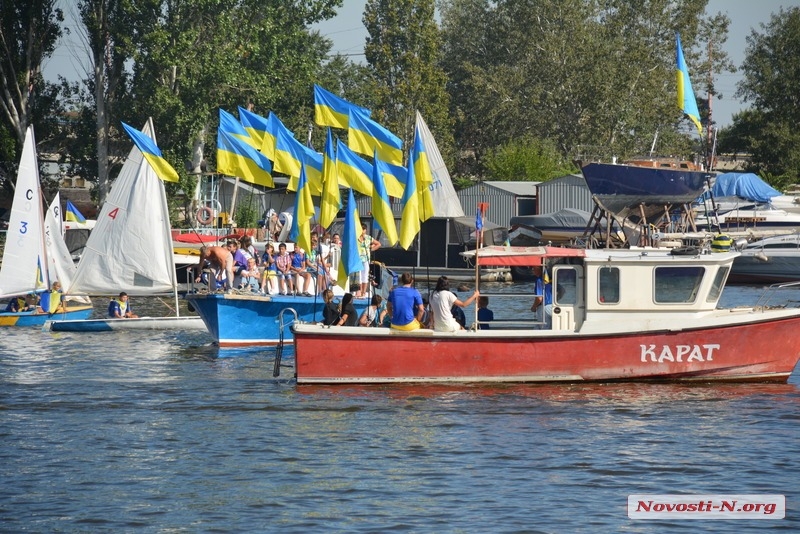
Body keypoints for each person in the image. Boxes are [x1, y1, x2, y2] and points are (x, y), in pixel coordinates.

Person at [356, 223, 381, 298]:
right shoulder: (356, 237)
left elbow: (378, 244)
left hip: (366, 259)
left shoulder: (368, 238)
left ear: (365, 230)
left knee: (365, 275)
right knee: (359, 276)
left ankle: (363, 292)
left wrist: (371, 249)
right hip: (358, 259)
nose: (362, 231)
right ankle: (359, 292)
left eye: (363, 229)